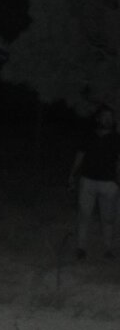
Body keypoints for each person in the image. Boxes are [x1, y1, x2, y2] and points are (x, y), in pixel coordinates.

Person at [68, 106, 120, 260]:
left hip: (109, 184)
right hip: (87, 181)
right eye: (105, 116)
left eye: (110, 116)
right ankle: (81, 248)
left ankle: (108, 249)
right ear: (98, 118)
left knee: (108, 218)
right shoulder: (88, 136)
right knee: (84, 215)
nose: (108, 119)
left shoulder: (117, 138)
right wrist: (71, 175)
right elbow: (79, 156)